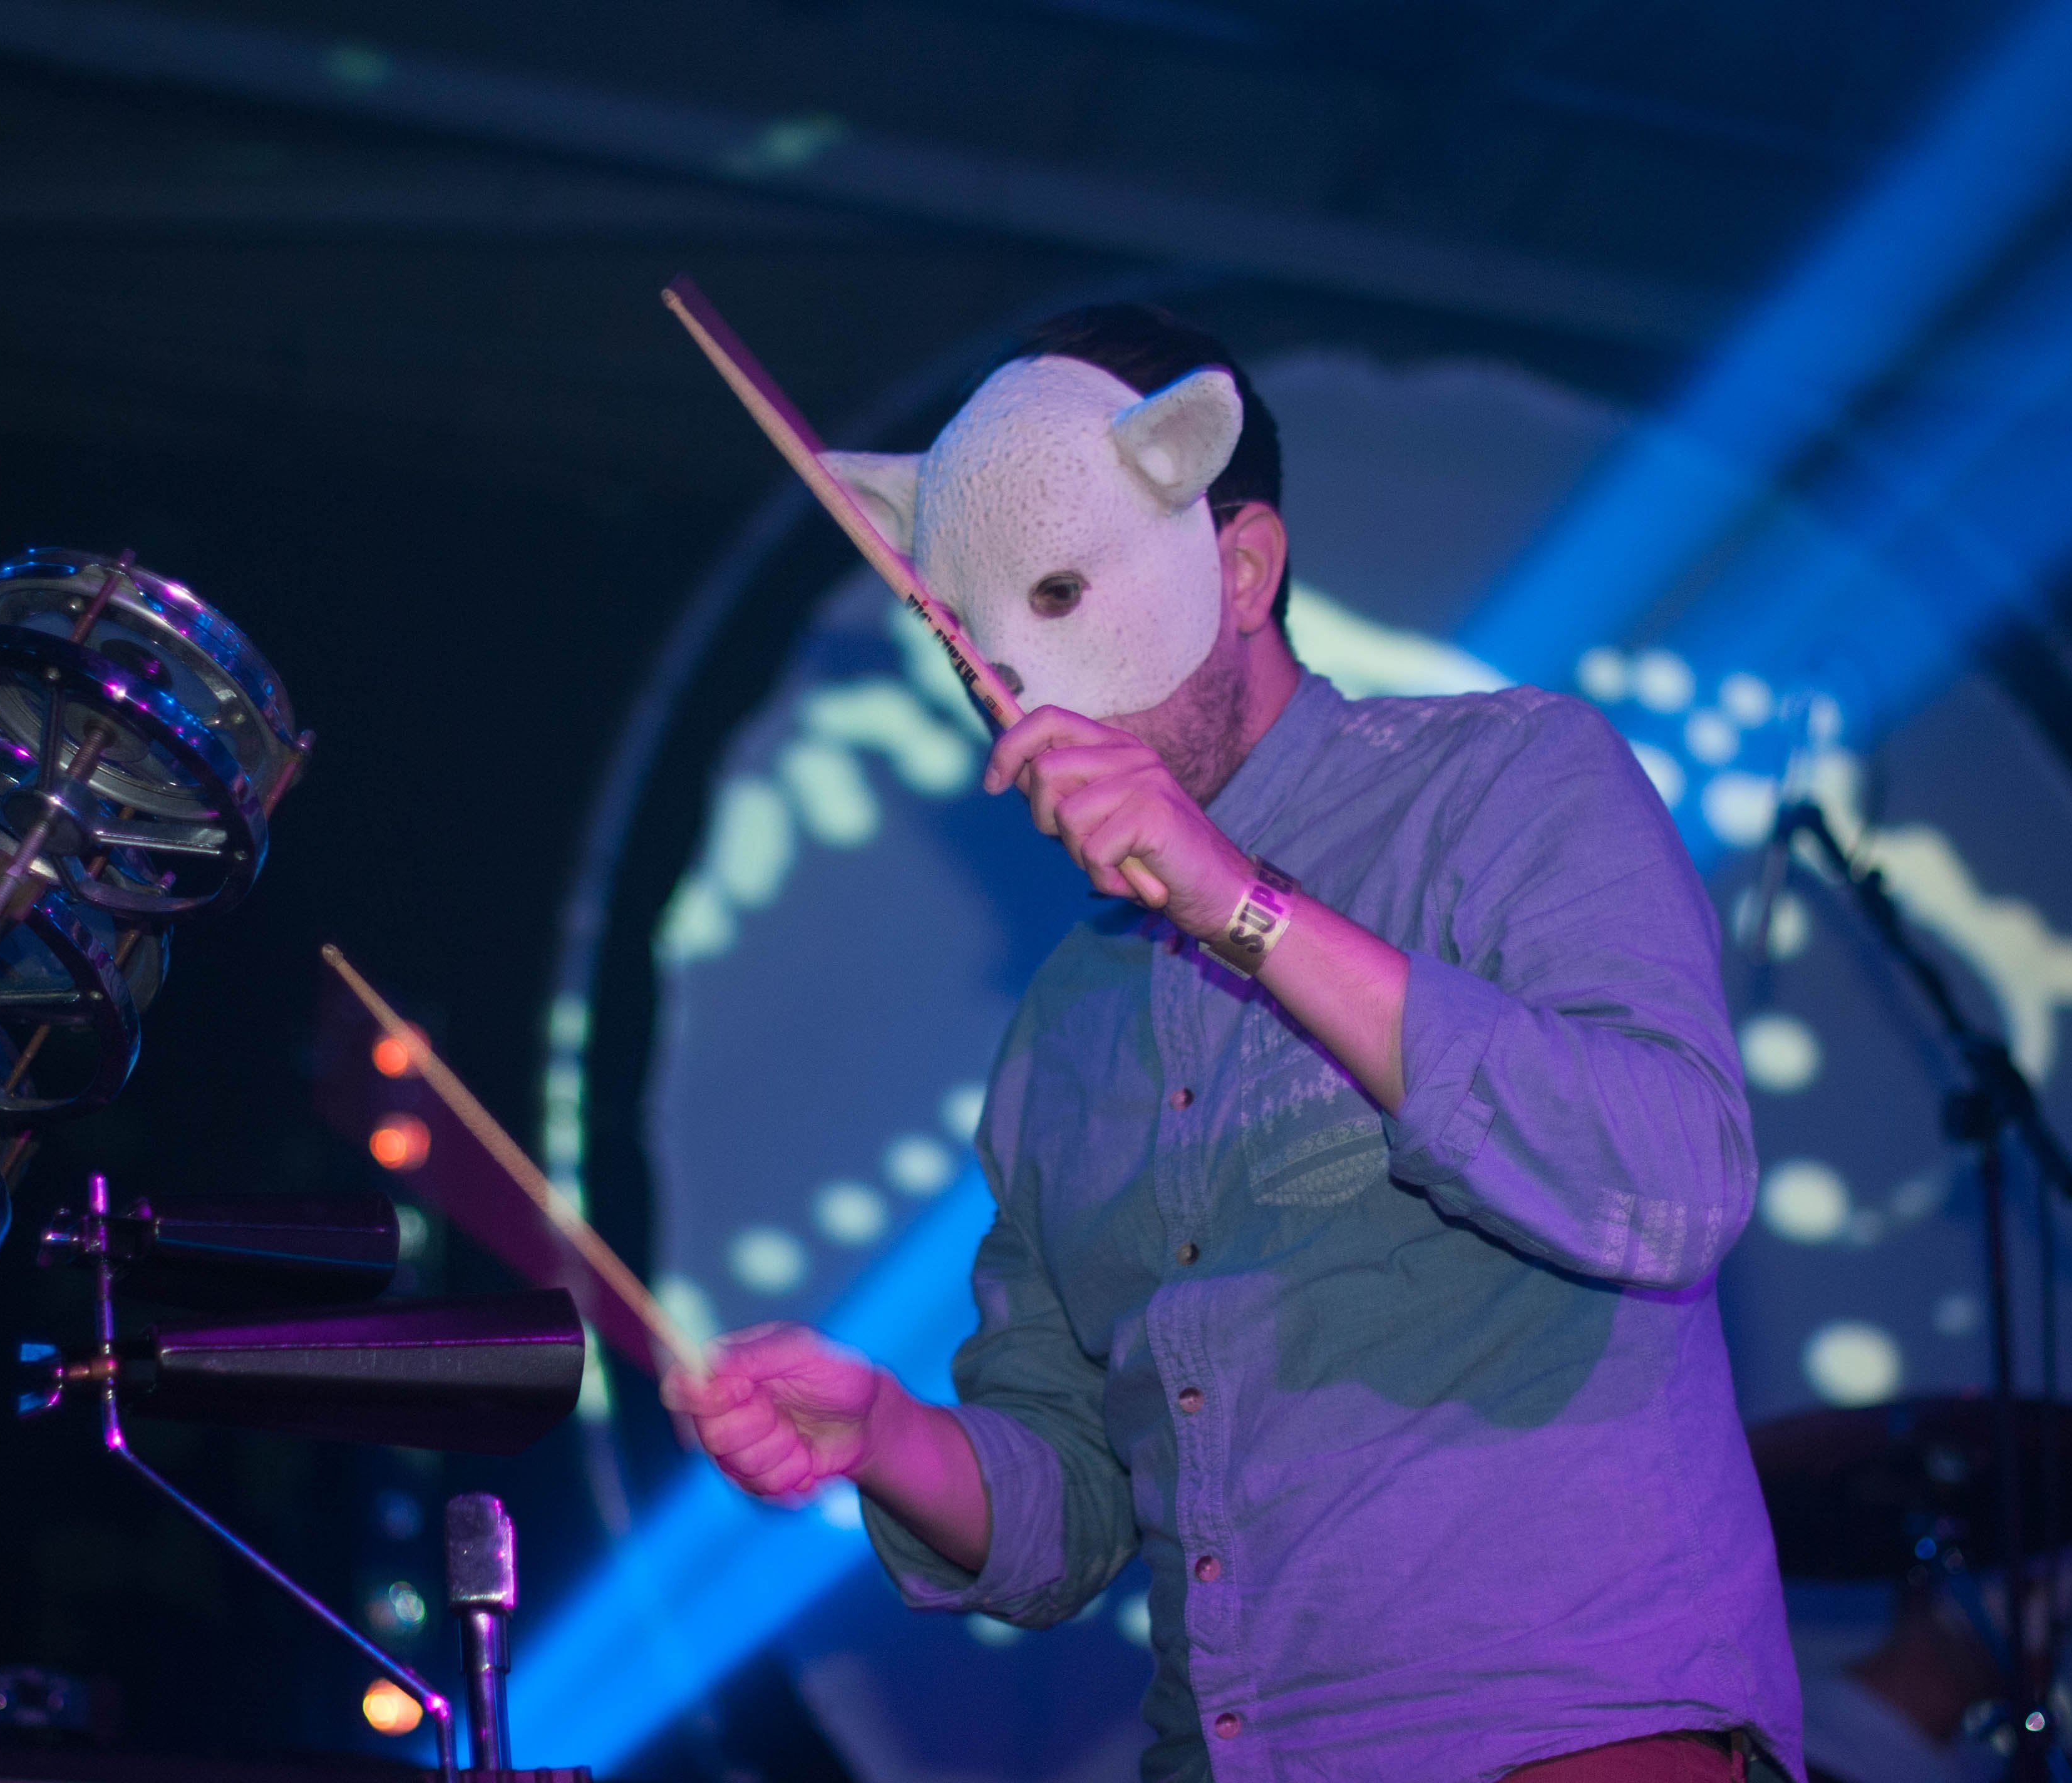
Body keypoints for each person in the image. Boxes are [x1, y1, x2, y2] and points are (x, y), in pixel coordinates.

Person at [662, 304, 1803, 1783]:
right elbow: (1072, 1512)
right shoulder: (1064, 1029)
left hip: (1557, 1732)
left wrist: (1241, 904)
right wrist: (883, 1435)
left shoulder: (1505, 780)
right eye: (973, 646)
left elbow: (1670, 1178)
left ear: (1243, 567)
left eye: (1061, 596)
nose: (1020, 698)